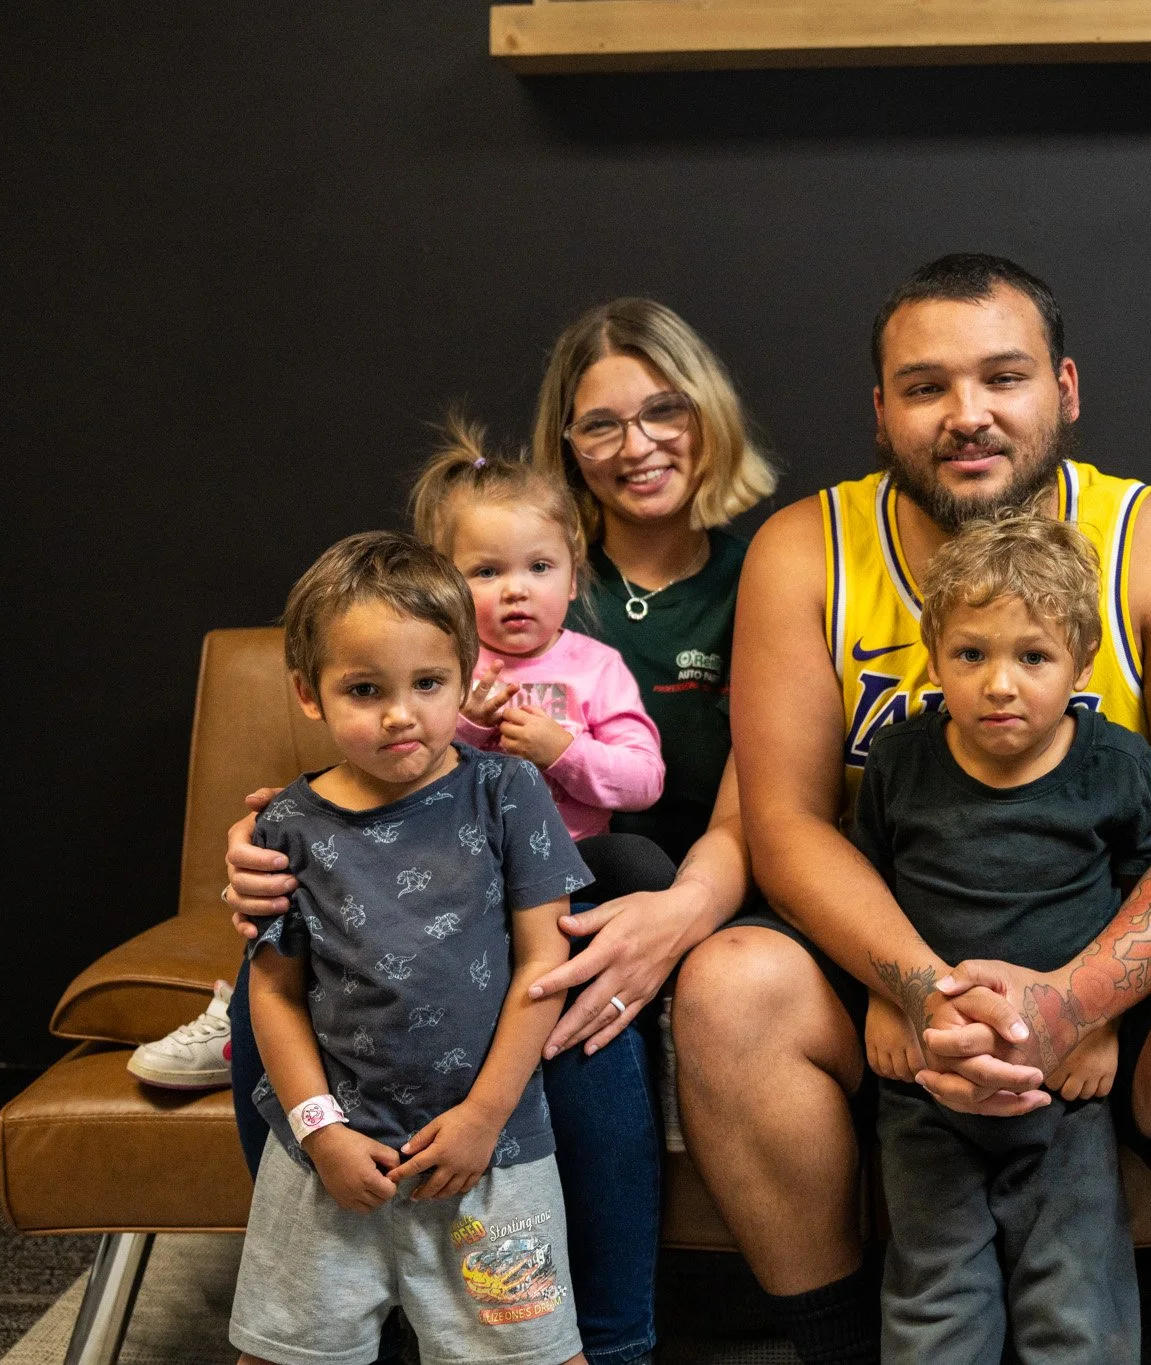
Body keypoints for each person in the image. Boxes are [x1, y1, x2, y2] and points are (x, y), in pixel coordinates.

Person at [672, 254, 1151, 1365]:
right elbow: (787, 821)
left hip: (1114, 926)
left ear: (1065, 388)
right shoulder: (805, 550)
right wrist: (915, 986)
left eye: (1004, 376)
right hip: (896, 924)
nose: (967, 415)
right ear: (881, 410)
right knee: (725, 992)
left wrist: (1077, 1001)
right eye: (924, 386)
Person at [223, 297, 774, 1365]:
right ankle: (334, 1308)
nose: (637, 444)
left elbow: (760, 791)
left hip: (644, 866)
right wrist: (278, 838)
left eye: (664, 410)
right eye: (599, 422)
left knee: (573, 972)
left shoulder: (768, 572)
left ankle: (604, 1340)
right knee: (275, 1001)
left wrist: (671, 897)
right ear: (563, 448)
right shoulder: (495, 561)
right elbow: (380, 710)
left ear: (707, 416)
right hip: (467, 854)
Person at [228, 530, 589, 1365]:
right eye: (364, 688)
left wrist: (483, 1117)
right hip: (328, 1163)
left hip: (493, 1163)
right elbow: (275, 993)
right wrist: (320, 1131)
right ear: (307, 693)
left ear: (467, 677)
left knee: (538, 1354)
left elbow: (545, 964)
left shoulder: (508, 792)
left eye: (429, 683)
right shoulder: (285, 826)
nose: (401, 713)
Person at [858, 510, 1151, 1363]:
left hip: (1062, 1086)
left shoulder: (1115, 762)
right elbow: (863, 883)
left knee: (1077, 1292)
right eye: (971, 654)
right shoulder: (901, 759)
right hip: (925, 1082)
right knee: (933, 1292)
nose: (999, 684)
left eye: (1033, 657)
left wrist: (1105, 1021)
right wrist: (887, 999)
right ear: (934, 654)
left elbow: (1145, 903)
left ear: (1081, 664)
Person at [410, 427, 666, 842]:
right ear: (448, 583)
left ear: (573, 578)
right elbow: (404, 771)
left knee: (641, 863)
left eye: (540, 567)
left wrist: (563, 752)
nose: (516, 590)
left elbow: (645, 781)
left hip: (578, 854)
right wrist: (467, 727)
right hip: (473, 852)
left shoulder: (598, 667)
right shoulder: (439, 662)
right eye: (487, 571)